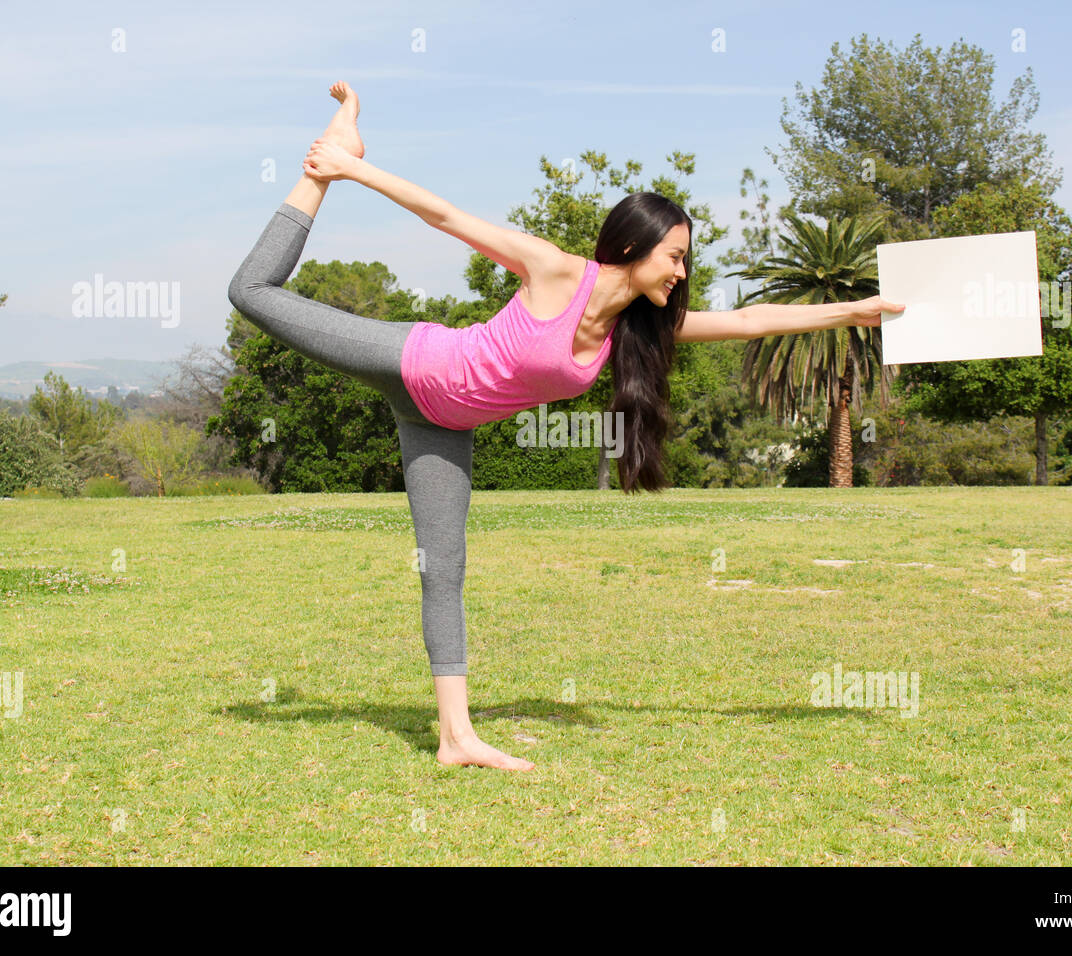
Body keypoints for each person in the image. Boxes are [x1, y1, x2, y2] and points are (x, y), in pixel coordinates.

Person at [227, 83, 903, 772]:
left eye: (685, 259)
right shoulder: (555, 270)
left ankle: (456, 739)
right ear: (635, 245)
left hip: (441, 425)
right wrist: (348, 169)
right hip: (411, 362)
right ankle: (324, 161)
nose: (682, 270)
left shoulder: (631, 334)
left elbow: (749, 321)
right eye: (674, 255)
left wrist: (852, 312)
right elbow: (446, 217)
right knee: (252, 293)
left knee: (444, 569)